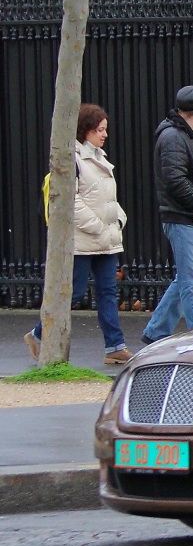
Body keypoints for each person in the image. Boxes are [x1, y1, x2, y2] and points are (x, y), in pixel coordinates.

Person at [24, 105, 134, 365]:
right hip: (83, 241)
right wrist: (98, 225)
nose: (104, 134)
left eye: (105, 129)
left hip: (106, 239)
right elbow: (70, 202)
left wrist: (119, 218)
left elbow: (108, 198)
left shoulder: (100, 157)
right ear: (86, 130)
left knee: (108, 292)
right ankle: (38, 335)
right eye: (100, 129)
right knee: (73, 293)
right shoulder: (72, 159)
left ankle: (115, 346)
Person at [141, 85, 193, 344]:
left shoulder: (186, 135)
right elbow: (175, 180)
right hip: (185, 218)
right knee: (192, 283)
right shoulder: (174, 137)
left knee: (185, 279)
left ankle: (157, 330)